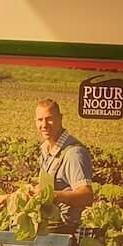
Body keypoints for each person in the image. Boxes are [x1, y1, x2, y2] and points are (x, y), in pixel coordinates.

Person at [33, 98, 96, 232]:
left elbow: (86, 196)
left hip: (68, 230)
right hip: (50, 226)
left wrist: (53, 195)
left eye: (49, 119)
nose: (44, 125)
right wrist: (10, 198)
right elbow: (45, 188)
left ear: (60, 118)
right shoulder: (45, 149)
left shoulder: (74, 153)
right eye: (39, 120)